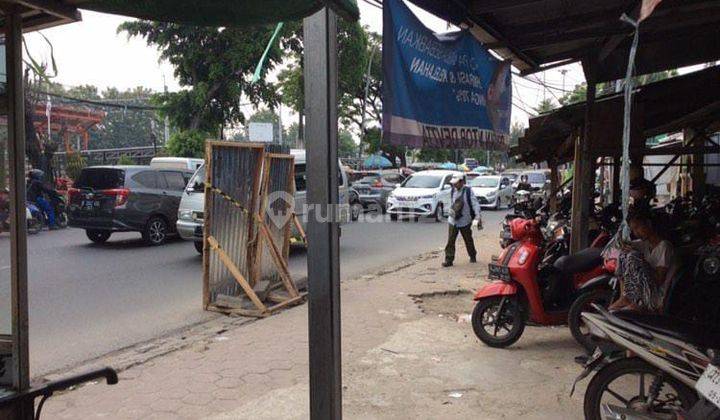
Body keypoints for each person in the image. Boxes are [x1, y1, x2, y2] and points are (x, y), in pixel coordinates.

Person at [609, 208, 676, 312]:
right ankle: (624, 297)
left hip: (654, 295)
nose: (636, 233)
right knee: (624, 254)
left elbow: (659, 279)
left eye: (638, 227)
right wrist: (622, 243)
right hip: (639, 292)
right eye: (633, 230)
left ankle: (632, 299)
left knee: (633, 256)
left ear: (648, 223)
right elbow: (619, 246)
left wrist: (641, 260)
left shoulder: (664, 247)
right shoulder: (643, 244)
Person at [442, 173, 482, 267]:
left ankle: (472, 255)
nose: (454, 185)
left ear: (462, 182)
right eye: (454, 183)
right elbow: (450, 203)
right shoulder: (452, 191)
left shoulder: (468, 191)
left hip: (465, 220)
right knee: (450, 241)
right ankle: (449, 259)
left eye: (456, 183)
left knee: (468, 240)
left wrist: (477, 216)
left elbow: (475, 204)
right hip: (453, 220)